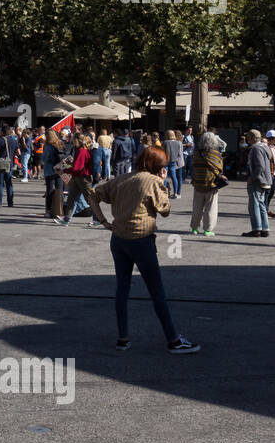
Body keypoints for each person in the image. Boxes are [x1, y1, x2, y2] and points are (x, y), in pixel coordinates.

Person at [84, 145, 200, 354]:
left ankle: (123, 338)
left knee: (122, 289)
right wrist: (163, 183)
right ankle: (173, 340)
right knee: (157, 292)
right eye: (163, 165)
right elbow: (164, 210)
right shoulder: (153, 181)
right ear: (156, 165)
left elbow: (92, 194)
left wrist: (102, 221)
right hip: (141, 240)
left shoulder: (121, 179)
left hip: (118, 239)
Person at [188, 130, 225, 236]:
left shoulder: (196, 153)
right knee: (210, 207)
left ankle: (194, 228)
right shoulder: (216, 154)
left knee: (197, 207)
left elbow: (193, 166)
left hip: (198, 183)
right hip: (211, 184)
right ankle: (207, 229)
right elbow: (220, 168)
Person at [59, 132, 95, 225]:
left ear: (77, 140)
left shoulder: (82, 151)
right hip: (79, 177)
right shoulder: (80, 149)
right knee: (72, 198)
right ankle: (66, 219)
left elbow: (76, 167)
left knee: (90, 199)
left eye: (73, 140)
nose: (72, 142)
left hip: (83, 178)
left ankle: (98, 219)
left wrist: (64, 169)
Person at [242, 129, 273, 238]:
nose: (247, 139)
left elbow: (260, 166)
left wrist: (252, 177)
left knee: (254, 205)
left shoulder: (255, 148)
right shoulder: (265, 147)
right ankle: (265, 228)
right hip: (266, 180)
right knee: (261, 204)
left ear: (252, 138)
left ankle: (256, 229)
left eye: (248, 137)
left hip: (258, 180)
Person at [41, 130, 66, 220]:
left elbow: (44, 159)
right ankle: (60, 210)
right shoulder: (60, 143)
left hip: (50, 170)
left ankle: (48, 211)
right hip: (60, 169)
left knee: (50, 190)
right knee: (60, 190)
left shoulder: (48, 146)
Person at [161, 130, 184, 198]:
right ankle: (175, 193)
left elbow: (162, 151)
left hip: (166, 161)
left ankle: (164, 192)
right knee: (174, 177)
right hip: (173, 161)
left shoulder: (165, 142)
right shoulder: (178, 142)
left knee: (164, 177)